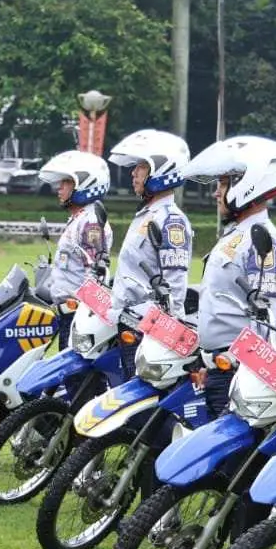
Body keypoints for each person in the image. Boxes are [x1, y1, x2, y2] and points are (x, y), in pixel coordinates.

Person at [182, 135, 276, 416]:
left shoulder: (262, 239)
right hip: (219, 366)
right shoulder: (238, 234)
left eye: (223, 183)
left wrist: (246, 374)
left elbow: (265, 319)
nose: (216, 192)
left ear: (249, 183)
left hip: (240, 372)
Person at [107, 130, 194, 376]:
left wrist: (167, 339)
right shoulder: (147, 215)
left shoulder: (171, 220)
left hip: (148, 332)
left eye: (142, 166)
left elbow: (175, 284)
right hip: (130, 323)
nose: (134, 173)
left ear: (161, 170)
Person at [39, 150, 114, 302]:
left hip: (74, 313)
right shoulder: (80, 218)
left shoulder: (90, 223)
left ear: (85, 183)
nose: (59, 187)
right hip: (63, 308)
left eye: (66, 181)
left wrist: (82, 314)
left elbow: (94, 274)